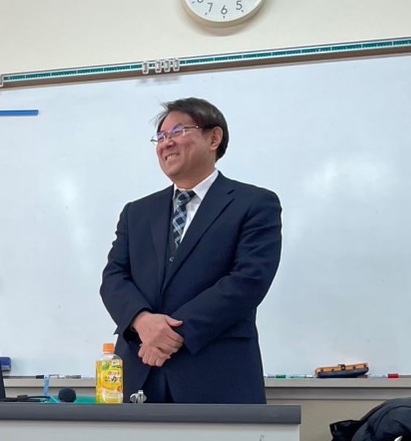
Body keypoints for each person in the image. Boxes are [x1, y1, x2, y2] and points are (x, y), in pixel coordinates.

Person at [99, 97, 282, 404]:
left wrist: (170, 334)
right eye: (161, 136)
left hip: (216, 376)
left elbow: (248, 281)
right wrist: (143, 321)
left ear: (214, 138)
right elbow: (114, 278)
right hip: (140, 372)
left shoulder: (254, 203)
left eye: (178, 131)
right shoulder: (137, 212)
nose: (166, 143)